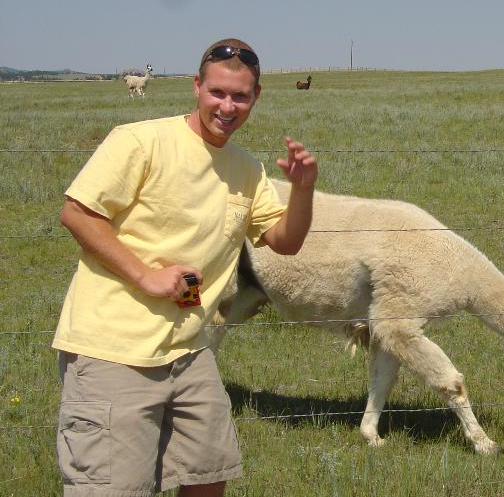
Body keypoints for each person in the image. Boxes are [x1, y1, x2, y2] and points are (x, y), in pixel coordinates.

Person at [52, 38, 317, 496]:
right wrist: (145, 275)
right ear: (197, 87)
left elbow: (286, 242)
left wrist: (304, 189)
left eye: (240, 96)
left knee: (208, 475)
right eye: (217, 92)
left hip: (190, 351)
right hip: (115, 351)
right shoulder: (141, 141)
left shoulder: (246, 169)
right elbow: (77, 213)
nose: (227, 107)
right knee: (115, 487)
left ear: (256, 97)